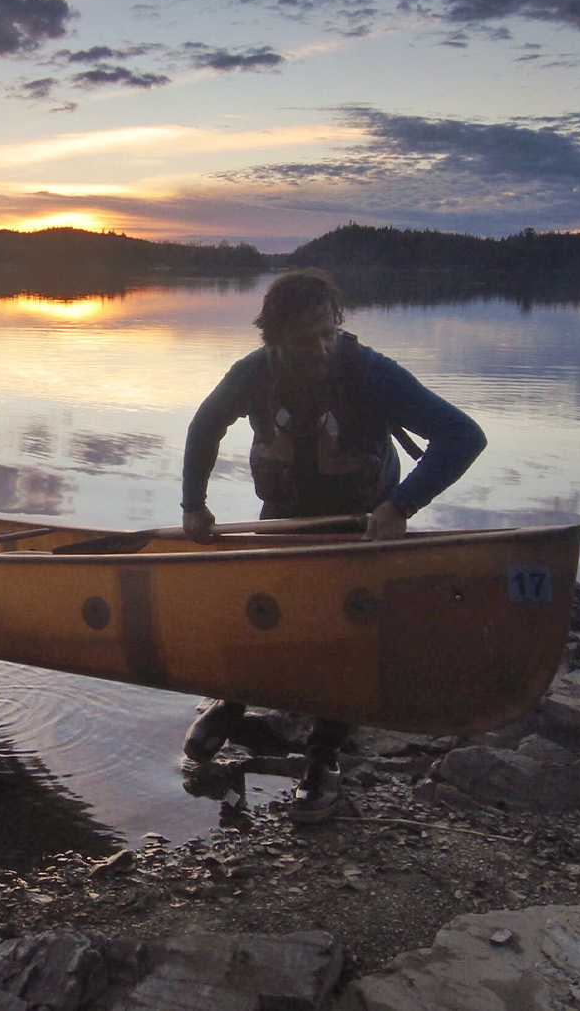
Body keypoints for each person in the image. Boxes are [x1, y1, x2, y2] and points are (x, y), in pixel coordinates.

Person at [178, 269, 485, 822]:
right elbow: (204, 427)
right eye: (304, 339)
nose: (320, 348)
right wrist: (193, 504)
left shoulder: (370, 372)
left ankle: (324, 756)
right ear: (272, 339)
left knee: (344, 638)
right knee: (258, 612)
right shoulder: (251, 374)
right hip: (286, 520)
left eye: (327, 332)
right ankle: (231, 701)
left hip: (363, 528)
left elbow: (463, 435)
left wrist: (399, 507)